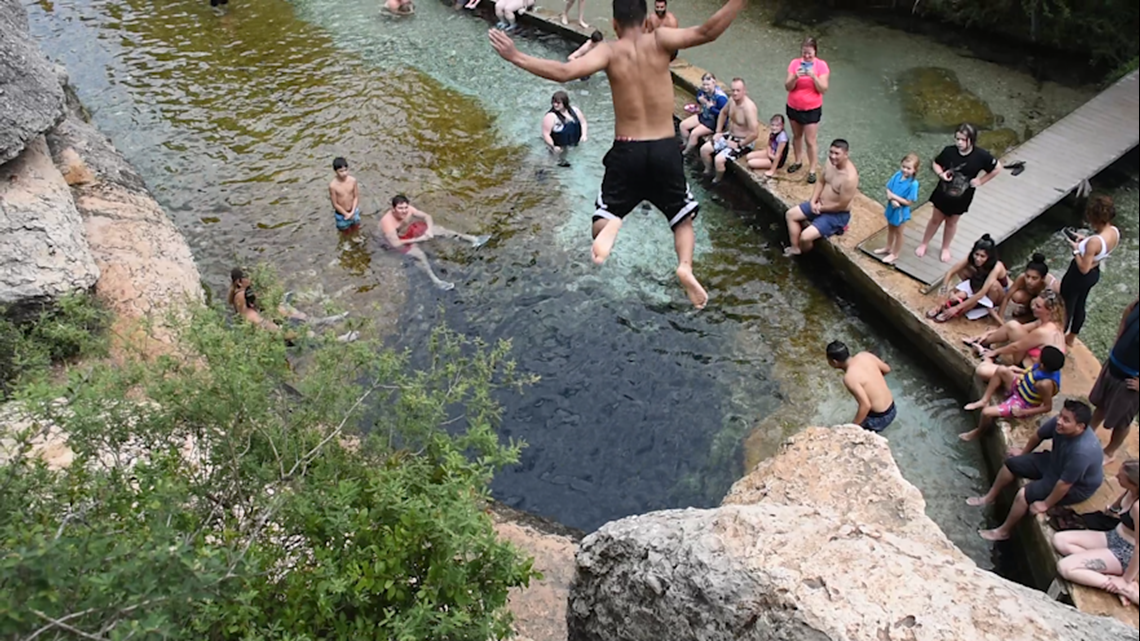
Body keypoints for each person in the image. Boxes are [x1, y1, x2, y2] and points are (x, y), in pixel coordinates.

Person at [488, 0, 749, 309]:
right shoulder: (662, 39)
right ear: (646, 19)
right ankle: (685, 266)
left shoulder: (608, 52)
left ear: (614, 24)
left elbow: (564, 72)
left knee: (604, 216)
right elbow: (709, 31)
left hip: (628, 149)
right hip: (665, 147)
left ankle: (612, 225)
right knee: (682, 219)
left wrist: (515, 55)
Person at [967, 400, 1104, 542]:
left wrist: (1045, 504)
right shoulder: (1059, 425)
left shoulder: (1082, 452)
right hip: (1055, 462)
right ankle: (989, 498)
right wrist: (1024, 453)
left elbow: (1065, 484)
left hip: (1076, 485)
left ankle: (1003, 531)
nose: (1059, 421)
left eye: (1066, 420)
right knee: (1010, 464)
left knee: (1023, 495)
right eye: (1060, 416)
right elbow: (1038, 436)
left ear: (1080, 427)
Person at [1053, 459, 1139, 606]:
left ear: (1134, 484)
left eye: (1121, 476)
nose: (1116, 477)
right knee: (1059, 540)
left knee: (1065, 567)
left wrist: (1126, 580)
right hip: (1114, 535)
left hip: (1126, 552)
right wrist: (1112, 509)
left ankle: (1123, 589)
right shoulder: (1131, 490)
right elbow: (1117, 506)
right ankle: (1105, 570)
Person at [915, 123, 1002, 263]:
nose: (959, 143)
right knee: (935, 219)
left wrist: (981, 181)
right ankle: (924, 243)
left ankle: (945, 247)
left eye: (963, 140)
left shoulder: (981, 155)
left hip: (963, 196)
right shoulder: (949, 151)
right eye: (957, 139)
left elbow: (997, 168)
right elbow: (936, 163)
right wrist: (941, 173)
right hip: (943, 192)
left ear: (971, 140)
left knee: (951, 222)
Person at [378, 195, 491, 291]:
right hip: (395, 240)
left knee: (442, 231)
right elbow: (396, 243)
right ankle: (436, 280)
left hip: (409, 230)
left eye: (405, 207)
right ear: (393, 209)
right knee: (420, 255)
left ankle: (472, 239)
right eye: (400, 208)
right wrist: (419, 239)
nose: (404, 211)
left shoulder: (409, 210)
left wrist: (429, 230)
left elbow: (427, 216)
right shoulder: (388, 223)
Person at [959, 345, 1064, 441]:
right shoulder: (1046, 367)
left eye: (1039, 356)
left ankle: (979, 432)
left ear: (1042, 364)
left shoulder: (1045, 384)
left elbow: (1047, 407)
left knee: (987, 413)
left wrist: (1023, 412)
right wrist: (1018, 370)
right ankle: (984, 400)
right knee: (1001, 369)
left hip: (1022, 402)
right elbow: (1032, 374)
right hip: (1020, 386)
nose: (1035, 356)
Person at [968, 288, 1067, 381]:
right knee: (1013, 325)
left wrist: (995, 352)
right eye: (1035, 303)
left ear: (1049, 311)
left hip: (1029, 372)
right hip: (1029, 360)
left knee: (983, 370)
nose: (1033, 307)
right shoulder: (1053, 322)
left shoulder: (1043, 332)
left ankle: (986, 357)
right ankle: (983, 341)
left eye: (1038, 307)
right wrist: (987, 333)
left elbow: (1016, 347)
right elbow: (1019, 328)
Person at [1060, 195, 1120, 345]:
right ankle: (1071, 337)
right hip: (1094, 274)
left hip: (1078, 276)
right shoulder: (1114, 232)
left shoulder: (1094, 242)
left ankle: (1058, 336)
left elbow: (1083, 268)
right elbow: (1099, 255)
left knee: (1066, 306)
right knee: (1080, 304)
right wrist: (1083, 241)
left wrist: (1075, 250)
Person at [227, 268, 352, 339]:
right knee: (296, 332)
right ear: (239, 281)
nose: (250, 279)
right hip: (259, 322)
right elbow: (248, 316)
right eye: (247, 278)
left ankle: (321, 321)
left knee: (287, 310)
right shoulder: (241, 298)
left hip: (260, 314)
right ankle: (335, 340)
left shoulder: (243, 292)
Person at [783, 139, 857, 255]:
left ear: (846, 154)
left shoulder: (849, 178)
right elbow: (821, 181)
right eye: (831, 152)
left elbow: (842, 205)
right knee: (790, 214)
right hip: (819, 204)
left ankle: (805, 256)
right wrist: (813, 201)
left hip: (836, 214)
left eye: (837, 154)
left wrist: (821, 208)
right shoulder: (830, 162)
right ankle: (795, 248)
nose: (833, 156)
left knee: (805, 237)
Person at [1091, 298, 1139, 462]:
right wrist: (1118, 339)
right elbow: (1128, 311)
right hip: (1114, 364)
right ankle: (1088, 431)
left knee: (1121, 421)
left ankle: (1110, 451)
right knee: (1101, 404)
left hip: (1131, 380)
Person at [923, 234, 1007, 324]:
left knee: (992, 286)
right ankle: (942, 306)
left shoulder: (996, 267)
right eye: (976, 254)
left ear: (989, 257)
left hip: (994, 293)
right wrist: (943, 293)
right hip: (978, 284)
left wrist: (957, 308)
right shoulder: (971, 257)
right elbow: (950, 272)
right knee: (963, 269)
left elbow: (981, 293)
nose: (978, 259)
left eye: (982, 256)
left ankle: (970, 306)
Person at [782, 36, 829, 185]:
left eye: (810, 53)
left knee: (810, 140)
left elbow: (823, 89)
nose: (807, 56)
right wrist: (796, 76)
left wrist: (813, 76)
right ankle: (797, 160)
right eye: (804, 53)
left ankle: (813, 169)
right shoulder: (795, 64)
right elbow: (787, 86)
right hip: (794, 105)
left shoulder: (821, 66)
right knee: (797, 136)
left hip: (811, 108)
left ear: (815, 52)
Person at [698, 78, 758, 184]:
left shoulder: (748, 108)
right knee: (704, 149)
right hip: (729, 135)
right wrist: (718, 131)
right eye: (733, 90)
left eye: (738, 90)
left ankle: (717, 180)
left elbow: (754, 133)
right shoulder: (731, 100)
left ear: (744, 91)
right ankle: (707, 171)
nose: (735, 93)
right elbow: (723, 113)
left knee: (719, 160)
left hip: (744, 141)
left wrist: (739, 145)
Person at [826, 341, 896, 432]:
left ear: (834, 362)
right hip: (892, 409)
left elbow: (866, 405)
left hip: (878, 419)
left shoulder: (849, 378)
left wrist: (852, 427)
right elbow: (887, 369)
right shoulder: (864, 355)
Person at [872, 153, 920, 265]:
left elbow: (909, 201)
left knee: (899, 232)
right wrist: (891, 198)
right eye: (903, 167)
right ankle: (888, 247)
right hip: (891, 207)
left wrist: (894, 198)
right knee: (890, 229)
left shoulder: (913, 184)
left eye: (909, 168)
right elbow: (888, 188)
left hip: (901, 211)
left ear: (914, 170)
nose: (905, 170)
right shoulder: (897, 175)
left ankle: (895, 253)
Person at [998, 253, 1059, 322]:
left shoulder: (1050, 287)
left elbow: (1055, 310)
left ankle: (1032, 315)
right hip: (1031, 297)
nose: (1029, 281)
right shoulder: (1022, 278)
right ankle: (1027, 309)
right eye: (1027, 276)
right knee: (1017, 296)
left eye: (1034, 278)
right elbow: (1006, 297)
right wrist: (999, 318)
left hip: (1042, 304)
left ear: (1042, 278)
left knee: (1035, 304)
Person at [679, 73, 728, 155]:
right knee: (683, 125)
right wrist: (700, 100)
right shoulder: (703, 90)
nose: (705, 87)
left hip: (714, 122)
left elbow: (724, 115)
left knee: (694, 133)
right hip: (704, 115)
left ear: (714, 83)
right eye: (704, 84)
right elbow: (699, 96)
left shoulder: (721, 98)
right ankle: (685, 143)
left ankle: (686, 152)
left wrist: (712, 108)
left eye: (708, 85)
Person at [542, 91, 588, 166]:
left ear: (565, 102)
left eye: (558, 103)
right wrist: (553, 147)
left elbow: (583, 122)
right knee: (550, 163)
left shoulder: (575, 111)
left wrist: (584, 135)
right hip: (558, 146)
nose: (555, 105)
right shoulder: (550, 116)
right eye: (554, 102)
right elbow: (546, 134)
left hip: (573, 143)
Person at [329, 157, 360, 233]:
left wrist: (352, 212)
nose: (344, 173)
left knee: (357, 229)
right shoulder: (333, 186)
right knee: (345, 233)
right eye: (341, 171)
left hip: (353, 211)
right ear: (335, 171)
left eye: (346, 170)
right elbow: (335, 204)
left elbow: (356, 196)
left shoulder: (353, 180)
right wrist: (346, 214)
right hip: (342, 215)